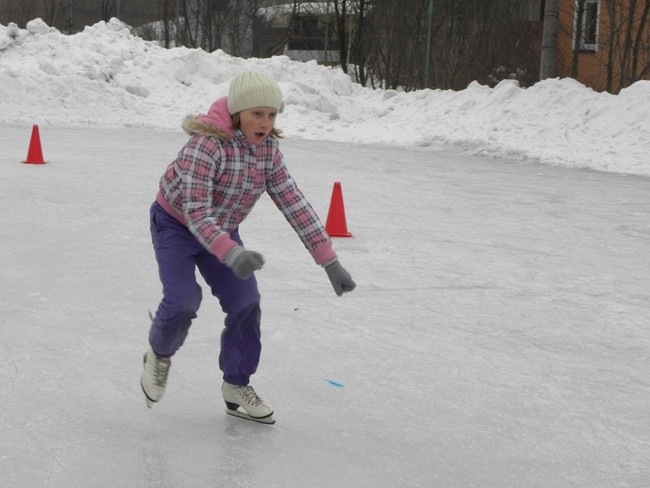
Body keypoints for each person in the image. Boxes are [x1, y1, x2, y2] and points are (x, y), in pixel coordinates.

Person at [140, 70, 356, 424]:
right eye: (257, 113)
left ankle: (236, 384)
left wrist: (328, 260)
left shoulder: (268, 150)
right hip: (176, 225)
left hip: (224, 231)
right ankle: (159, 354)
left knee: (246, 302)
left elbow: (292, 201)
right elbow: (195, 212)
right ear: (238, 112)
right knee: (183, 301)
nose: (266, 123)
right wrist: (230, 252)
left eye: (272, 114)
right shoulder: (205, 145)